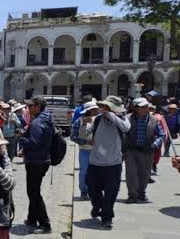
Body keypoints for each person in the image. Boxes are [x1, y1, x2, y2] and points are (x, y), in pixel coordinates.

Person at [86, 96, 131, 229]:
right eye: (103, 107)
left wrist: (111, 115)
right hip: (95, 162)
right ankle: (97, 206)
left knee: (111, 192)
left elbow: (126, 128)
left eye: (107, 107)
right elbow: (85, 134)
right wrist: (83, 125)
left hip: (113, 163)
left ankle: (107, 217)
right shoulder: (97, 119)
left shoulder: (122, 120)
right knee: (93, 190)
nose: (103, 110)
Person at [19, 96, 54, 233]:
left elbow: (34, 143)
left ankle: (45, 224)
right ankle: (32, 218)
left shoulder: (38, 122)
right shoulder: (45, 118)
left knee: (34, 193)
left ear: (38, 106)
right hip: (42, 159)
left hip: (36, 161)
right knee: (34, 191)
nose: (28, 108)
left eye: (31, 106)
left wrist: (22, 137)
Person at [124, 98, 164, 203]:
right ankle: (132, 195)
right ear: (136, 108)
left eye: (146, 106)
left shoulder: (154, 119)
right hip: (131, 151)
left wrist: (155, 145)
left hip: (147, 151)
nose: (146, 108)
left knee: (144, 174)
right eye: (143, 107)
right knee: (131, 174)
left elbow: (161, 135)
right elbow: (123, 134)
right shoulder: (127, 118)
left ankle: (141, 193)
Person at [70, 101, 99, 200]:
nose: (97, 110)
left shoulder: (99, 120)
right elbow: (73, 137)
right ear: (89, 110)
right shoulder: (80, 121)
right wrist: (86, 141)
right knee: (84, 172)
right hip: (85, 151)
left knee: (97, 172)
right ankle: (84, 190)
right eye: (94, 109)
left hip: (98, 151)